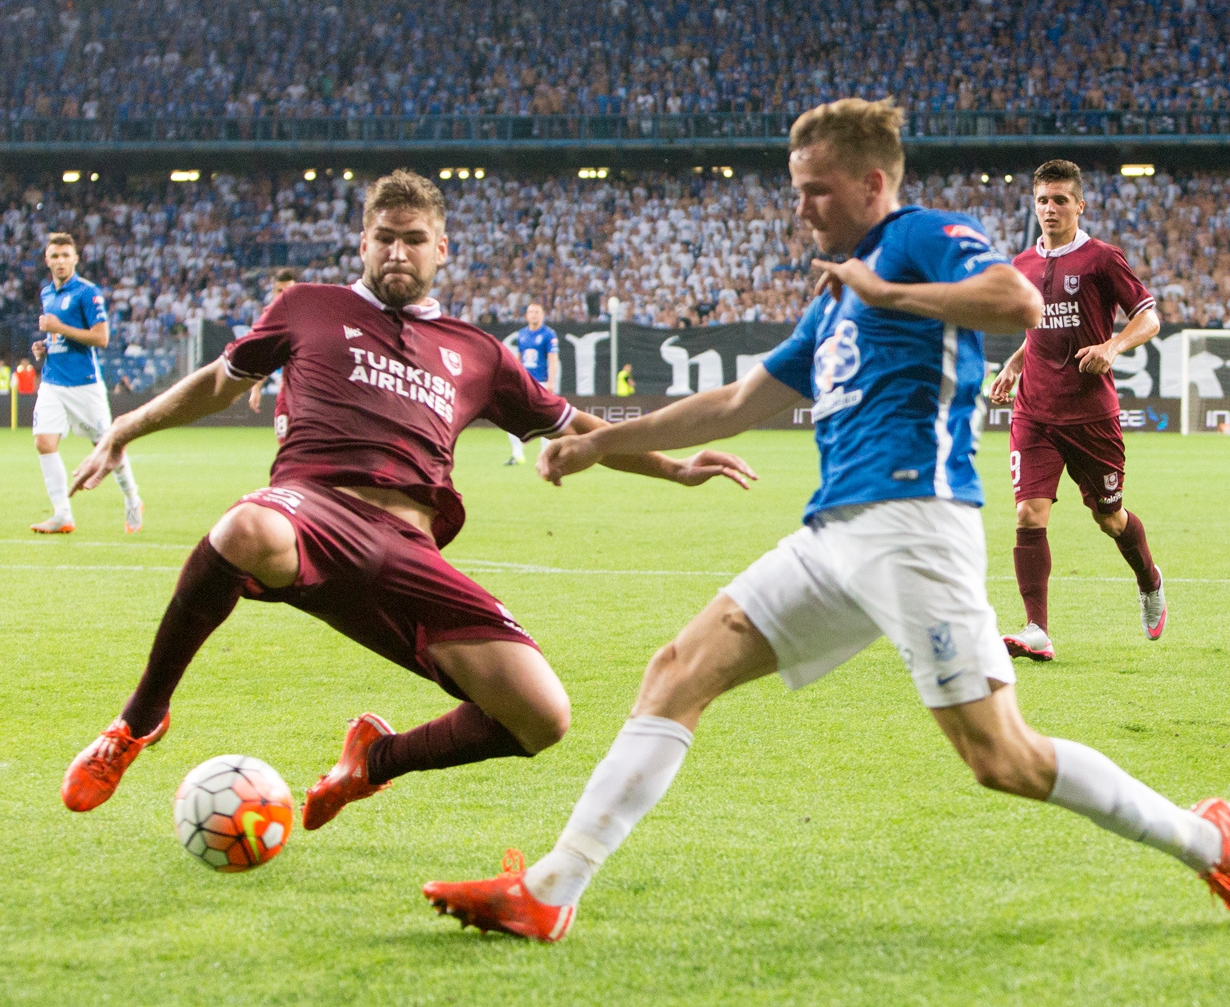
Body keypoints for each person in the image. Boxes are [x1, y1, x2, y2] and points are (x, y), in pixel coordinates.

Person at [423, 99, 1230, 941]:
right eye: (796, 188)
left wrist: (889, 291)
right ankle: (550, 888)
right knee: (679, 670)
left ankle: (1210, 839)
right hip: (836, 534)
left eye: (817, 189)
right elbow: (736, 400)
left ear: (874, 182)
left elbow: (1015, 304)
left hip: (916, 524)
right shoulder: (834, 298)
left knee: (1003, 758)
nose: (800, 207)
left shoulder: (918, 239)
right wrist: (601, 443)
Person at [58, 169, 753, 827]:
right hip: (312, 512)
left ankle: (373, 759)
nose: (397, 251)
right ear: (362, 243)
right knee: (245, 528)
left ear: (441, 249)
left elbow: (580, 430)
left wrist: (677, 467)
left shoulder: (480, 354)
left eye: (414, 239)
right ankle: (141, 718)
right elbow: (220, 380)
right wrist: (128, 424)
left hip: (410, 551)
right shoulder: (308, 306)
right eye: (384, 237)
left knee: (543, 716)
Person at [987, 160, 1165, 663]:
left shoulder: (1102, 259)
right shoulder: (1021, 263)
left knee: (1109, 518)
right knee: (1028, 513)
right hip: (1035, 411)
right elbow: (1039, 327)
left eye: (1061, 199)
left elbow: (1149, 319)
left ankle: (1148, 579)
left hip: (1090, 415)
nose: (1050, 209)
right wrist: (1015, 364)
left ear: (1079, 205)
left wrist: (1113, 345)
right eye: (1043, 200)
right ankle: (1037, 629)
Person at [28, 233, 143, 535]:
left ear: (76, 258)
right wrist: (45, 345)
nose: (61, 261)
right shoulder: (47, 293)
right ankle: (62, 514)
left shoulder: (87, 292)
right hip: (52, 380)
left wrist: (58, 327)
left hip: (83, 383)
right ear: (47, 261)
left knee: (106, 447)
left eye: (66, 255)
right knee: (43, 442)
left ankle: (132, 497)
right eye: (55, 256)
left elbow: (101, 338)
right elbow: (59, 337)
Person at [506, 302, 559, 465]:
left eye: (537, 312)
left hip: (542, 382)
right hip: (524, 383)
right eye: (531, 312)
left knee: (545, 419)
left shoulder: (549, 334)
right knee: (511, 417)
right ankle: (517, 455)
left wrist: (551, 382)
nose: (534, 315)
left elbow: (553, 359)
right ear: (527, 315)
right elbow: (518, 360)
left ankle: (545, 456)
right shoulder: (522, 334)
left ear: (542, 315)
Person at [247, 268, 301, 415]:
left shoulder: (309, 315)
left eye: (288, 290)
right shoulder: (269, 320)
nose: (283, 295)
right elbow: (265, 356)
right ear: (273, 292)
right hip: (289, 390)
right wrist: (256, 388)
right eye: (279, 290)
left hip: (312, 391)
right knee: (284, 435)